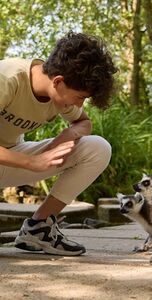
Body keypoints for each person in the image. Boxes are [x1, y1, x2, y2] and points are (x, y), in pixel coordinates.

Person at [0, 31, 117, 256]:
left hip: (10, 159)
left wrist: (70, 134)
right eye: (80, 97)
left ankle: (38, 229)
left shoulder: (60, 94)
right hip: (19, 160)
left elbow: (84, 123)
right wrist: (31, 161)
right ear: (58, 81)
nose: (79, 104)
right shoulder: (7, 78)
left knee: (97, 148)